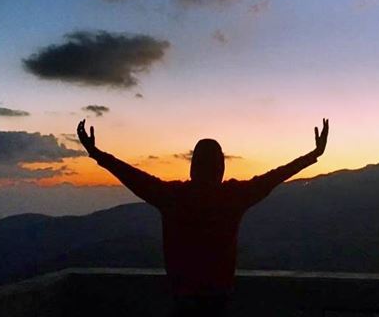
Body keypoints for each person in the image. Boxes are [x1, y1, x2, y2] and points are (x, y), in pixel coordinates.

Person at [76, 117, 329, 316]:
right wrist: (313, 155)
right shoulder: (234, 196)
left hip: (182, 301)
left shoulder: (171, 196)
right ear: (221, 167)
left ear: (192, 166)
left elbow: (131, 175)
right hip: (220, 301)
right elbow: (275, 176)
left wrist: (96, 153)